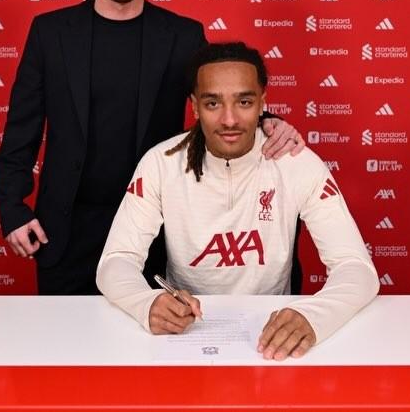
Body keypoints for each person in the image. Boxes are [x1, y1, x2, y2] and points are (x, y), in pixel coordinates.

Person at [0, 0, 303, 295]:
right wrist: (13, 208)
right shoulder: (50, 33)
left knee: (154, 333)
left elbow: (220, 96)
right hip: (67, 230)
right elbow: (21, 130)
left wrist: (268, 121)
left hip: (156, 225)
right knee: (66, 334)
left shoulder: (182, 35)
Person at [97, 42, 378, 359]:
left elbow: (356, 268)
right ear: (194, 106)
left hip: (270, 335)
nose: (229, 120)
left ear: (262, 103)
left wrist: (314, 315)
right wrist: (146, 302)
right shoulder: (161, 163)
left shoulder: (297, 162)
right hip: (184, 334)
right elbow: (116, 261)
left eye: (244, 102)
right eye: (212, 103)